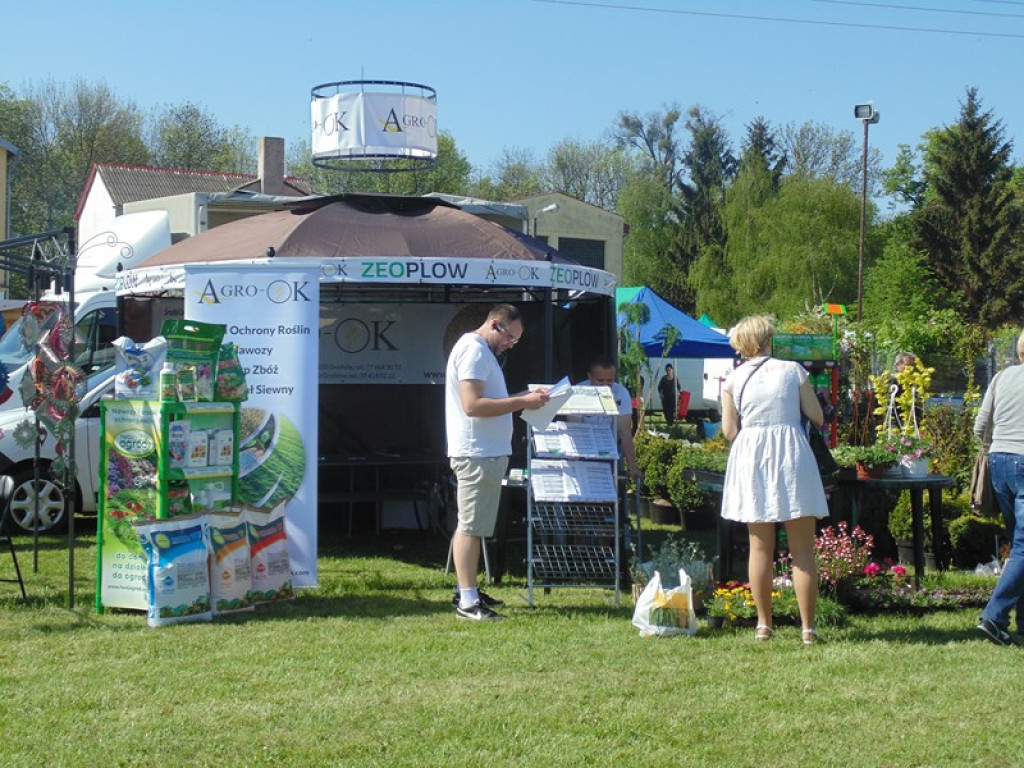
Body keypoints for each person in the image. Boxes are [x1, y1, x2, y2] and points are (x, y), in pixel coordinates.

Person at [719, 315, 828, 645]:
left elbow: (729, 431)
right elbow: (818, 417)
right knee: (803, 551)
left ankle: (764, 625)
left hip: (751, 456)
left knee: (760, 547)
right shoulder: (793, 371)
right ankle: (808, 629)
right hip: (791, 453)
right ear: (768, 341)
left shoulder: (733, 379)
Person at [445, 304, 550, 621]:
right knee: (471, 526)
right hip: (477, 452)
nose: (511, 345)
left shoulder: (480, 351)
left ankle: (468, 590)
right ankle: (467, 602)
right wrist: (523, 401)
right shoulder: (474, 350)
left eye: (516, 341)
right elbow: (473, 405)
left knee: (474, 524)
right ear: (494, 324)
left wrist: (525, 397)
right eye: (510, 338)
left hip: (484, 451)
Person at [974, 329, 1024, 645]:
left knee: (1019, 545)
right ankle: (994, 617)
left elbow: (980, 426)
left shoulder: (1002, 377)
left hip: (999, 462)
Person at [579, 355, 641, 483]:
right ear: (590, 377)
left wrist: (632, 466)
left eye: (610, 381)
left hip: (609, 448)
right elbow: (576, 430)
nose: (605, 385)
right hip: (584, 449)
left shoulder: (621, 393)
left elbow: (625, 432)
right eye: (600, 381)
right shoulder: (577, 392)